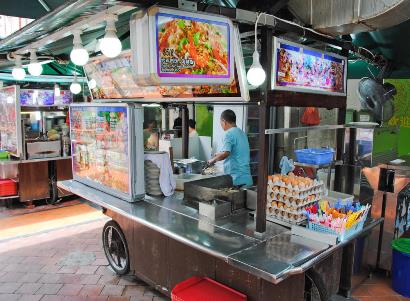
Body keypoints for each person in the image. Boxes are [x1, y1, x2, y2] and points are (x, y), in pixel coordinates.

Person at [207, 110, 252, 187]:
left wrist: (212, 160)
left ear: (224, 121)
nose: (221, 125)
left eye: (221, 122)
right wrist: (218, 154)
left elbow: (226, 153)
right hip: (247, 179)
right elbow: (236, 151)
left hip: (236, 180)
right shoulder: (241, 133)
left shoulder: (229, 133)